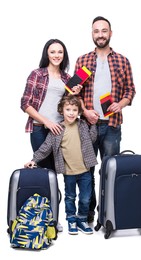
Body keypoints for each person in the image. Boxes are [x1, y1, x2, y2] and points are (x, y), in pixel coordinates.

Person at [74, 16, 136, 223]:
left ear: (110, 33)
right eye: (96, 31)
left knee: (110, 169)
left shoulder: (122, 60)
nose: (100, 34)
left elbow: (130, 90)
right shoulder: (82, 61)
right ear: (92, 34)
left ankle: (108, 211)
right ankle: (89, 211)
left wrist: (122, 103)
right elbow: (74, 94)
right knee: (87, 172)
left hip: (112, 125)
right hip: (87, 125)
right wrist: (85, 111)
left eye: (104, 30)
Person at [24, 95, 98, 235]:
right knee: (70, 197)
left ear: (79, 112)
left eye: (75, 110)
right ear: (61, 111)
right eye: (68, 109)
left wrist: (93, 124)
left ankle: (82, 219)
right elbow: (46, 147)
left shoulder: (82, 125)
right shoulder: (57, 129)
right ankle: (71, 219)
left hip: (85, 171)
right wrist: (34, 160)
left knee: (85, 197)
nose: (71, 112)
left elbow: (92, 138)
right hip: (69, 172)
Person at [21, 39, 82, 171]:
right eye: (52, 52)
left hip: (59, 129)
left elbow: (68, 105)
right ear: (47, 54)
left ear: (64, 55)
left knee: (60, 167)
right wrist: (47, 122)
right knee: (43, 168)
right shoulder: (37, 74)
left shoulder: (67, 78)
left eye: (60, 52)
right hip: (39, 128)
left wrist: (74, 94)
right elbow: (25, 104)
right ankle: (45, 192)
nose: (56, 55)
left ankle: (58, 192)